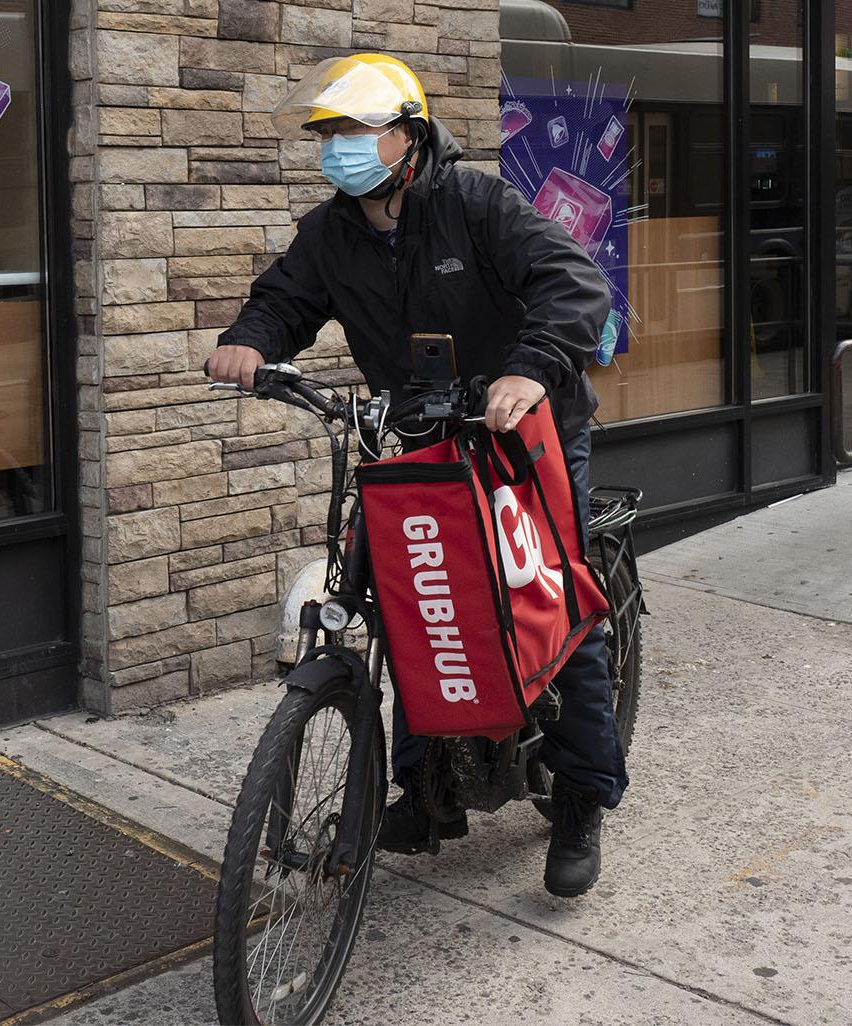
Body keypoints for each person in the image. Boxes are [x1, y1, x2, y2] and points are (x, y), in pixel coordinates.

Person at [203, 53, 627, 898]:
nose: (337, 149)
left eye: (354, 131)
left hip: (526, 431)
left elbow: (573, 283)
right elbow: (285, 300)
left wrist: (531, 368)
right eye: (329, 135)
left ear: (408, 135)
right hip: (419, 436)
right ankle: (425, 793)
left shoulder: (474, 205)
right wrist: (252, 339)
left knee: (552, 605)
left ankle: (581, 797)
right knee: (412, 600)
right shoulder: (331, 231)